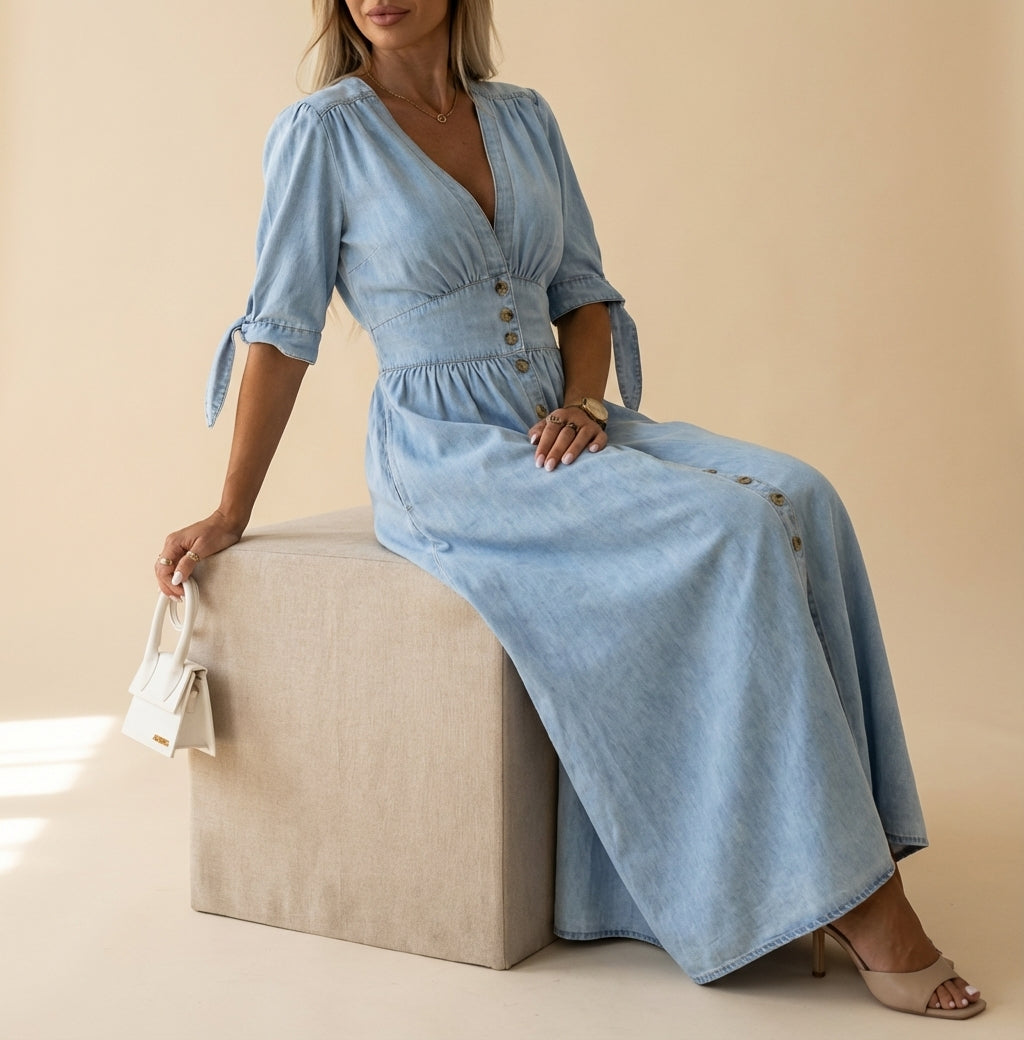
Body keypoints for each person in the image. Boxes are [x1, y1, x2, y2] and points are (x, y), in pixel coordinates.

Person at [155, 0, 984, 1018]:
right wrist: (231, 509)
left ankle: (832, 846)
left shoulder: (524, 117)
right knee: (730, 531)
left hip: (560, 414)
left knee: (803, 492)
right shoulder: (322, 132)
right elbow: (281, 330)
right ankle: (860, 900)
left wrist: (586, 403)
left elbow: (583, 296)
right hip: (447, 452)